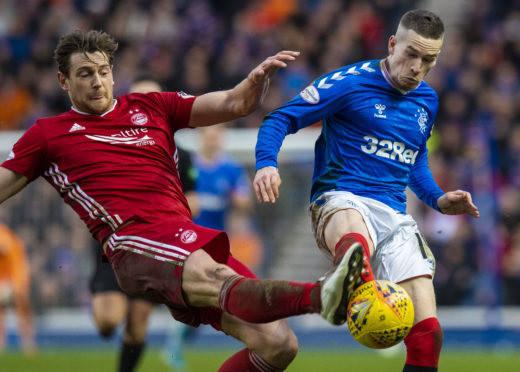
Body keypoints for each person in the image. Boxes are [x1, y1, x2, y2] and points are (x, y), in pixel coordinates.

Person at [0, 29, 365, 372]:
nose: (97, 81)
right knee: (212, 277)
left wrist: (254, 82)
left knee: (279, 343)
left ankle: (322, 296)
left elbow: (234, 103)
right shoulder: (47, 135)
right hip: (134, 242)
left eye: (103, 71)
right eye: (84, 74)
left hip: (184, 236)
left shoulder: (152, 106)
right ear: (63, 81)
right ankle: (322, 296)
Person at [254, 9, 480, 372]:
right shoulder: (350, 82)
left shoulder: (427, 102)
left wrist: (437, 197)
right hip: (341, 197)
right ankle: (351, 284)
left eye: (429, 60)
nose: (417, 68)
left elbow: (413, 160)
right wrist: (266, 163)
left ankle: (350, 290)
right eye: (410, 54)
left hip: (394, 214)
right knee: (355, 242)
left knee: (428, 335)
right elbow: (281, 117)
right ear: (392, 44)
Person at [88, 77, 199, 372]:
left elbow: (192, 199)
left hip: (150, 245)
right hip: (111, 246)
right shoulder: (108, 143)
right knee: (108, 322)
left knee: (137, 326)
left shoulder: (181, 153)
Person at [163, 124, 254, 370]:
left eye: (218, 136)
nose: (213, 140)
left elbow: (245, 202)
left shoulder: (231, 169)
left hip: (217, 243)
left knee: (205, 299)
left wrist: (240, 200)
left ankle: (176, 346)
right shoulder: (188, 166)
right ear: (202, 138)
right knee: (202, 296)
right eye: (209, 136)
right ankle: (175, 347)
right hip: (188, 242)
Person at [0, 222, 36, 355]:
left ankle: (27, 343)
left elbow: (6, 250)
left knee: (23, 309)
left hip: (13, 280)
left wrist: (19, 286)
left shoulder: (4, 234)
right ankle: (2, 344)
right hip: (6, 280)